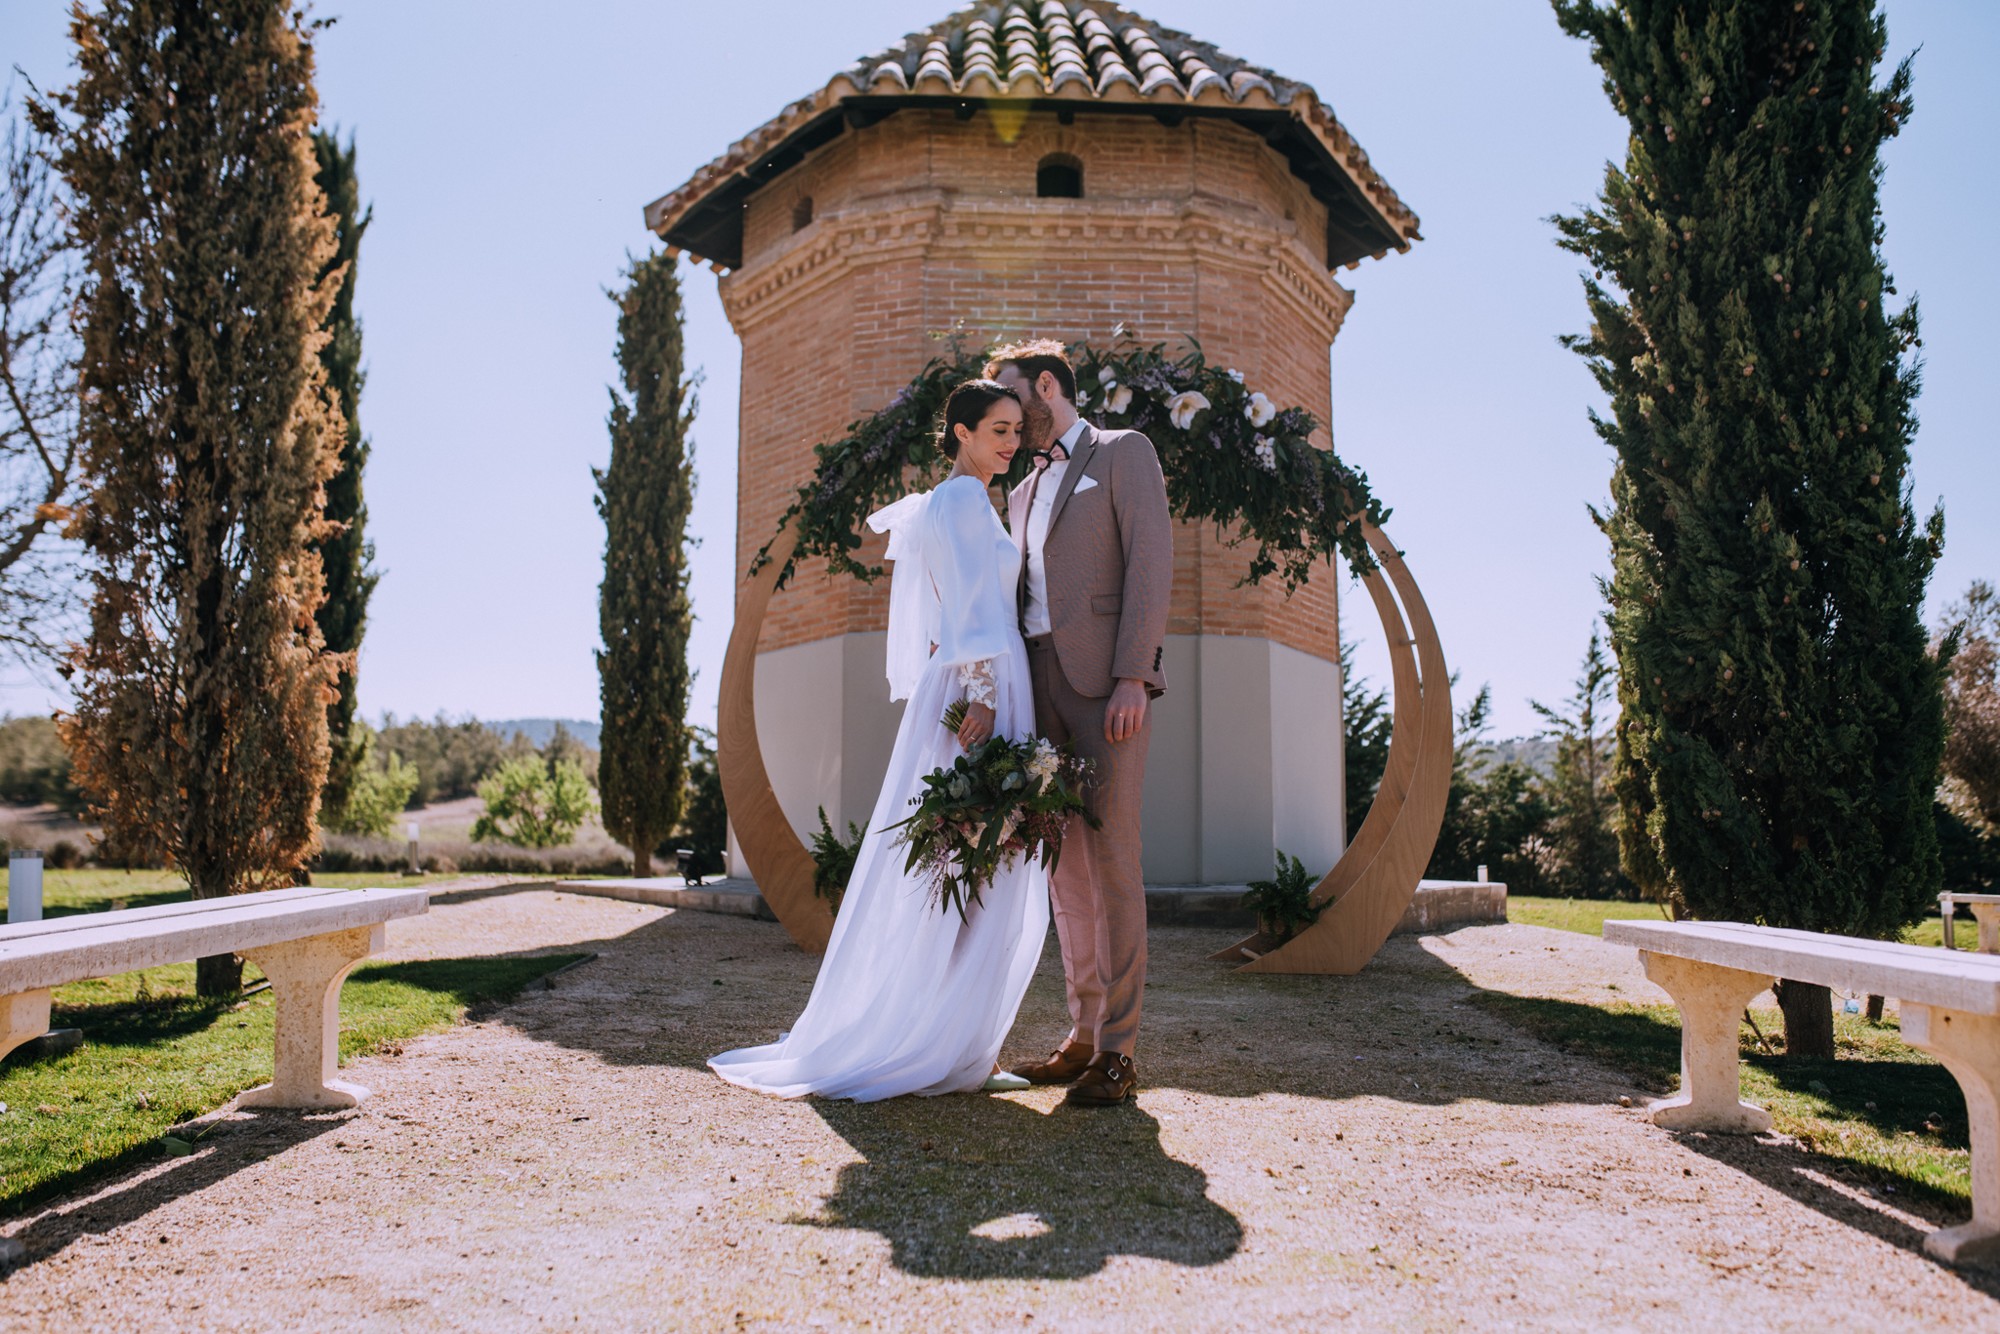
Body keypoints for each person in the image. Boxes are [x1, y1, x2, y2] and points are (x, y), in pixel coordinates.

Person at [708, 381, 1049, 1101]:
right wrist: (984, 695)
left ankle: (961, 1044)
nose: (1011, 442)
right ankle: (947, 1046)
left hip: (981, 671)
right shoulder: (959, 499)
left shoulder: (965, 499)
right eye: (997, 430)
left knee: (977, 857)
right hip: (980, 681)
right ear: (960, 432)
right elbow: (967, 603)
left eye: (1017, 430)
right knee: (973, 854)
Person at [990, 339, 1172, 1108]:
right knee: (1062, 865)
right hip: (1037, 687)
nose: (1005, 416)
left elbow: (1150, 563)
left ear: (1045, 386)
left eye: (1010, 399)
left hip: (1105, 688)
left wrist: (1134, 673)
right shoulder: (1020, 491)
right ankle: (1082, 1035)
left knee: (1113, 860)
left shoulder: (1123, 454)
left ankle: (1121, 1052)